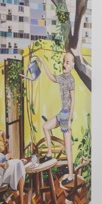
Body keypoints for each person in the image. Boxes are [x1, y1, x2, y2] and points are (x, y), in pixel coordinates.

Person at [31, 48, 79, 185]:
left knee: (68, 147)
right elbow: (52, 77)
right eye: (64, 61)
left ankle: (71, 175)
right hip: (62, 113)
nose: (64, 64)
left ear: (72, 65)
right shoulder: (62, 77)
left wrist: (69, 121)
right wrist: (42, 62)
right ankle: (49, 154)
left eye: (68, 62)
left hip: (66, 115)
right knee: (46, 126)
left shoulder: (71, 80)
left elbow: (73, 100)